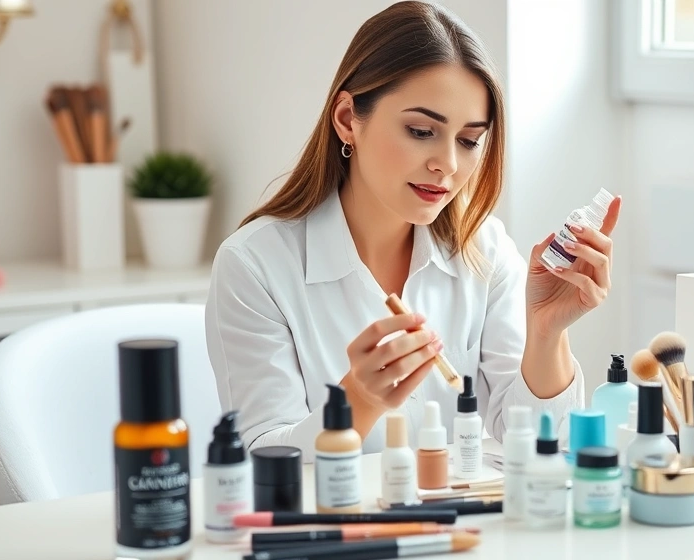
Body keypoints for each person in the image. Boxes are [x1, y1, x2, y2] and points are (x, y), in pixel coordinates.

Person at [204, 1, 621, 461]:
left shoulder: (484, 250)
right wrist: (359, 400)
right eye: (422, 131)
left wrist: (545, 334)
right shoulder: (254, 266)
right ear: (347, 119)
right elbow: (261, 461)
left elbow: (547, 444)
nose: (448, 163)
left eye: (468, 141)